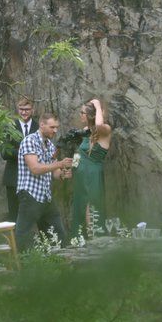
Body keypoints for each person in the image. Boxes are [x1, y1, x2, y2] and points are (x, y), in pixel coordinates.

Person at [15, 113, 73, 253]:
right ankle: (22, 267)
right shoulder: (30, 141)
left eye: (56, 127)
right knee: (23, 235)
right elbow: (35, 168)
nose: (55, 130)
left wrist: (64, 173)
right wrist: (59, 163)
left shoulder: (50, 146)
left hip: (45, 196)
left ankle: (62, 266)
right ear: (42, 125)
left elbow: (55, 173)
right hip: (30, 195)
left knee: (58, 234)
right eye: (52, 127)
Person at [70, 98, 112, 238]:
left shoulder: (105, 129)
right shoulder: (85, 131)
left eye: (83, 112)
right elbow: (79, 152)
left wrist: (98, 105)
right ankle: (81, 239)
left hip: (93, 173)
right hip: (81, 174)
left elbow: (98, 124)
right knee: (81, 204)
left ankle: (93, 237)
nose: (80, 115)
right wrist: (72, 168)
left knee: (91, 204)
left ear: (90, 115)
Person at [2, 96, 37, 221]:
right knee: (14, 214)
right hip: (13, 177)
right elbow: (4, 153)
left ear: (32, 110)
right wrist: (26, 153)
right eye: (21, 109)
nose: (23, 112)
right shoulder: (10, 126)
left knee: (33, 213)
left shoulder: (38, 127)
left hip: (34, 178)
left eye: (27, 109)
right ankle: (15, 241)